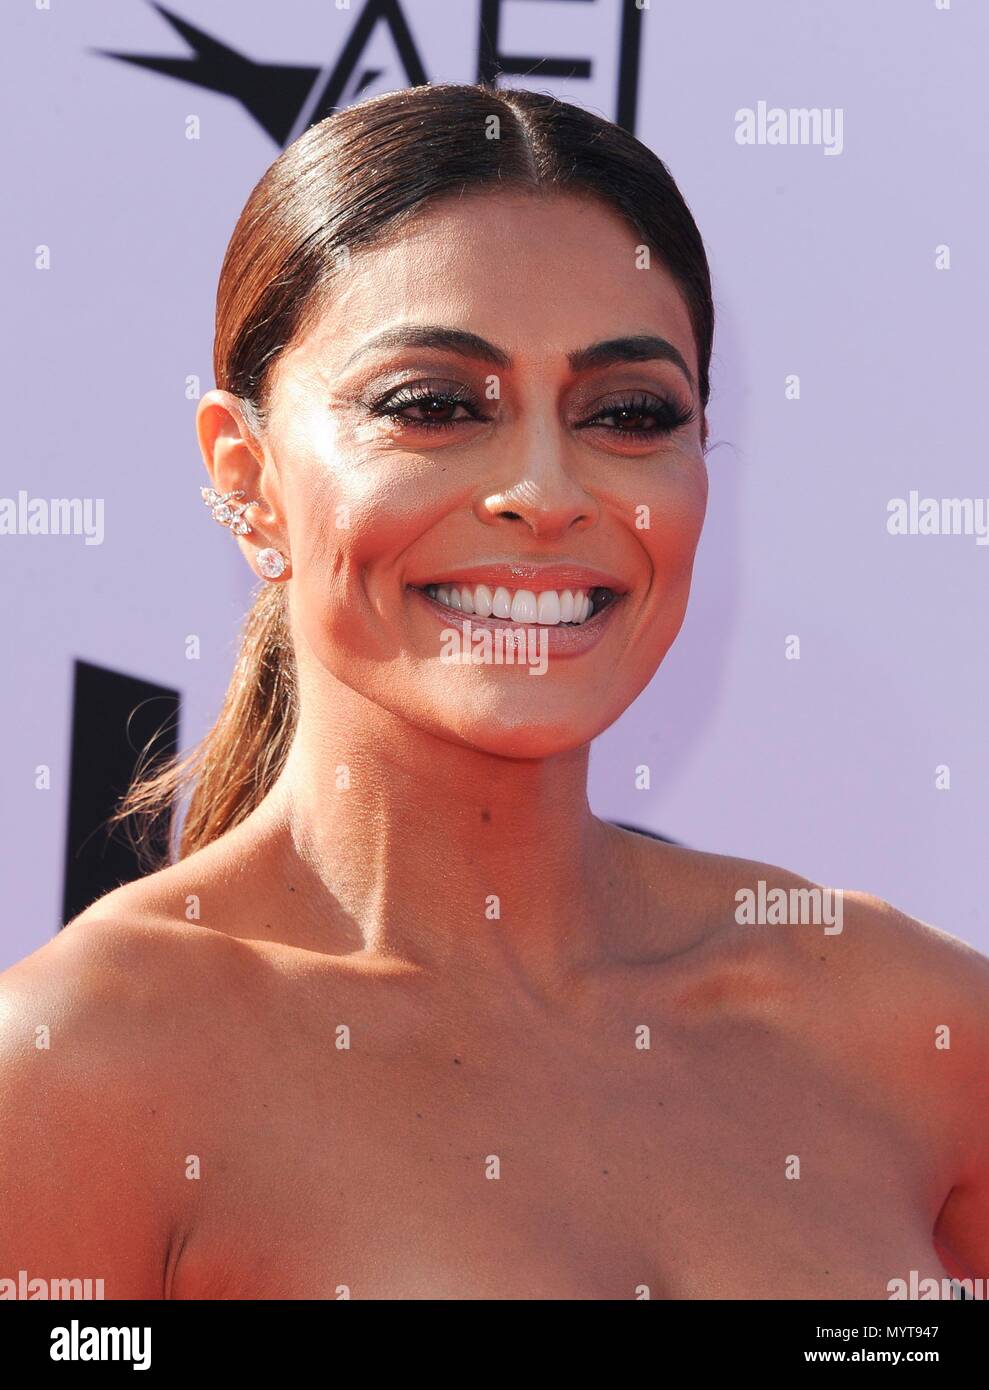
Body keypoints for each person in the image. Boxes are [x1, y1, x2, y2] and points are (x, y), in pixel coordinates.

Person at [1, 82, 986, 1301]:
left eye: (627, 413)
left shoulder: (905, 1019)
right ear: (246, 476)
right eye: (430, 406)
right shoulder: (82, 1062)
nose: (543, 488)